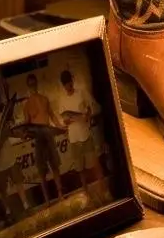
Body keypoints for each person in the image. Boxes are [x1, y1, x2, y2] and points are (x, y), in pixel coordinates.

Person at [57, 69, 104, 205]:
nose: (69, 85)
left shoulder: (81, 93)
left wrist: (87, 115)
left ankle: (102, 189)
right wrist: (69, 120)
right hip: (73, 138)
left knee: (95, 163)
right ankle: (86, 193)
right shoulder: (62, 99)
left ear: (72, 81)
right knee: (80, 168)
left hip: (85, 135)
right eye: (66, 84)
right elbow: (64, 119)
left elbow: (90, 108)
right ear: (63, 85)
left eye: (70, 82)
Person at [23, 73, 64, 204]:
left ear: (36, 83)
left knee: (55, 166)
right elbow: (27, 124)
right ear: (28, 86)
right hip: (38, 137)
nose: (32, 86)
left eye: (34, 83)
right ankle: (47, 200)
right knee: (41, 171)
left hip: (47, 132)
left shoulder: (44, 99)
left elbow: (52, 116)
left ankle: (60, 194)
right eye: (30, 84)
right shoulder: (27, 104)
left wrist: (61, 127)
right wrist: (24, 134)